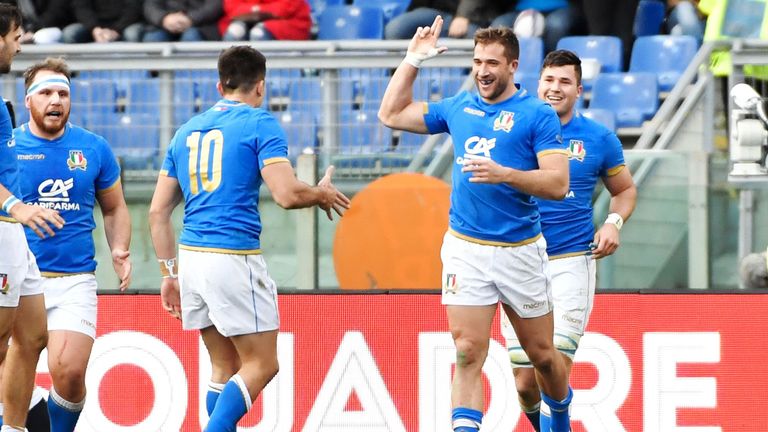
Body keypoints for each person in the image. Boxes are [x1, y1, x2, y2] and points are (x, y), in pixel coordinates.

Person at [378, 18, 573, 432]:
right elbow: (390, 113)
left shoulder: (536, 114)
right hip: (466, 248)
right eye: (477, 61)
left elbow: (557, 183)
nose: (483, 71)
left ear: (513, 67)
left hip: (520, 251)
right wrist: (414, 58)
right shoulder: (459, 107)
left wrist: (505, 174)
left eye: (492, 63)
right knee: (467, 351)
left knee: (541, 356)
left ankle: (560, 416)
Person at [148, 45, 350, 432]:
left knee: (224, 366)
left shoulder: (186, 131)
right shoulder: (260, 123)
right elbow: (287, 194)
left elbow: (157, 212)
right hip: (231, 256)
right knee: (263, 363)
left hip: (190, 257)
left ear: (219, 84)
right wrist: (321, 193)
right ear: (261, 86)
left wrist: (168, 273)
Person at [500, 49, 637, 431]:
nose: (555, 88)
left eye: (564, 82)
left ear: (579, 90)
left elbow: (624, 190)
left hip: (571, 261)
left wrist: (612, 223)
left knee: (554, 364)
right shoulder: (512, 129)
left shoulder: (599, 138)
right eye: (549, 80)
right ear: (537, 84)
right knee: (526, 384)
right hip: (520, 260)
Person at [11, 57, 132, 432]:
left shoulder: (93, 148)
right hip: (16, 281)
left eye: (63, 93)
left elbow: (114, 208)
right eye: (46, 92)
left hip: (74, 279)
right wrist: (20, 211)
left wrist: (119, 248)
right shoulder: (9, 146)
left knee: (69, 371)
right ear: (28, 100)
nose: (56, 100)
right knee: (11, 369)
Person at [0, 5, 65, 431]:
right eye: (16, 37)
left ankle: (15, 427)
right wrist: (15, 207)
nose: (19, 45)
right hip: (4, 222)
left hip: (12, 234)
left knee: (33, 337)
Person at [384, 0, 507, 40]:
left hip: (476, 16)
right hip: (438, 12)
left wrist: (463, 16)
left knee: (480, 40)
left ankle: (478, 91)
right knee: (396, 28)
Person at [219, 0, 311, 41]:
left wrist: (257, 9)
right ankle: (231, 77)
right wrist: (256, 10)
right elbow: (232, 7)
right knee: (235, 31)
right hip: (247, 20)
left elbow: (284, 8)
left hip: (287, 22)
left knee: (258, 33)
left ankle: (263, 77)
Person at [62, 0, 144, 43]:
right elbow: (81, 7)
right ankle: (73, 72)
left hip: (123, 25)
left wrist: (116, 30)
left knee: (132, 34)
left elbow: (133, 8)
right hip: (92, 26)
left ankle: (131, 71)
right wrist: (94, 29)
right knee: (69, 33)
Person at [142, 0, 223, 42]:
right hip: (164, 25)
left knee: (191, 36)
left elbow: (214, 6)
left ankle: (191, 73)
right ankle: (157, 74)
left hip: (200, 25)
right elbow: (150, 5)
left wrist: (190, 19)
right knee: (153, 38)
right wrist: (164, 19)